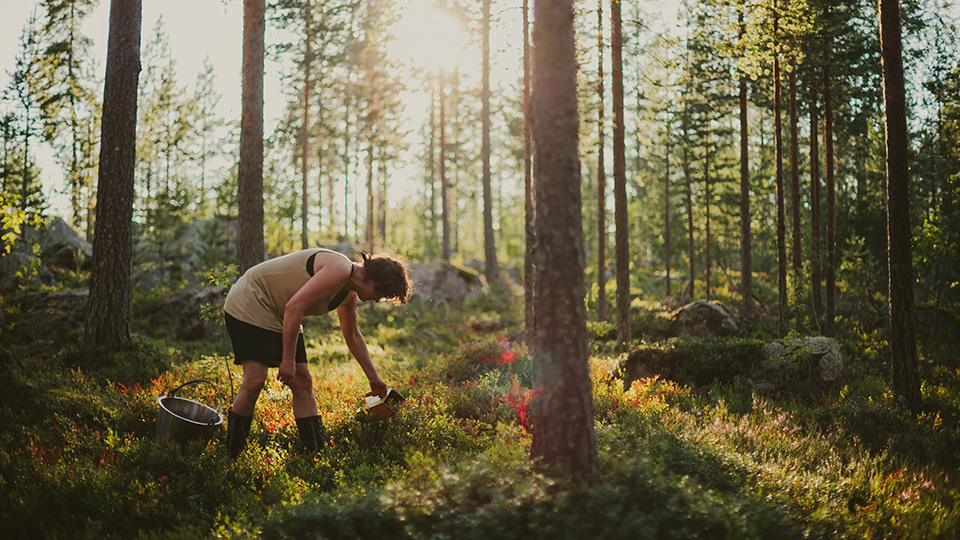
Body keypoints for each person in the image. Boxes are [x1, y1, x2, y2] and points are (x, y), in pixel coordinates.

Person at [222, 248, 412, 459]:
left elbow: (353, 336)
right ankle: (233, 455)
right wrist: (287, 360)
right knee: (255, 380)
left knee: (303, 380)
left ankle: (315, 453)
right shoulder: (339, 270)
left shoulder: (348, 294)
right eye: (383, 295)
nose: (378, 300)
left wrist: (373, 377)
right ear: (376, 284)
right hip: (252, 299)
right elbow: (294, 307)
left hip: (278, 312)